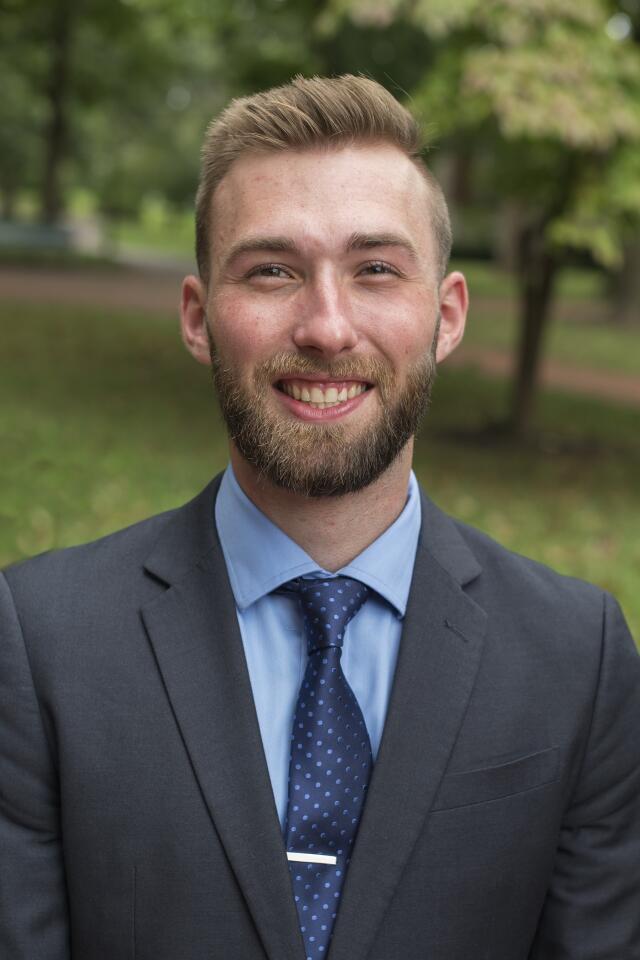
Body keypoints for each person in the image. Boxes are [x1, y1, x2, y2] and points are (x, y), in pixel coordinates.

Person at [1, 74, 639, 960]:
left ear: (446, 316)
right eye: (273, 271)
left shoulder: (581, 655)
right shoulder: (39, 641)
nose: (327, 327)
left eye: (376, 269)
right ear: (198, 318)